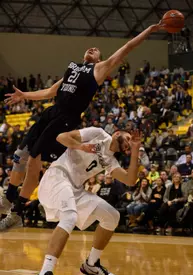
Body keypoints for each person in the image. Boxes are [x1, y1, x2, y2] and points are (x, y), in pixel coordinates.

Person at [0, 22, 164, 231]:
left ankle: (17, 212)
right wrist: (25, 95)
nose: (92, 49)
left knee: (34, 159)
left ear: (99, 59)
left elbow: (127, 47)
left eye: (97, 51)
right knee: (20, 154)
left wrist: (150, 30)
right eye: (91, 48)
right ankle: (10, 197)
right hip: (51, 112)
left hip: (65, 119)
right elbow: (50, 92)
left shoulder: (98, 70)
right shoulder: (73, 70)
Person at [30, 127, 141, 275]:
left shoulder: (111, 161)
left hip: (76, 188)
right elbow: (61, 136)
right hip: (58, 176)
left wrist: (135, 151)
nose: (128, 143)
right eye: (128, 138)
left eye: (130, 143)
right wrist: (81, 146)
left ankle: (92, 263)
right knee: (70, 216)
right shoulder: (97, 134)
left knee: (112, 216)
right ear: (117, 133)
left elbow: (131, 180)